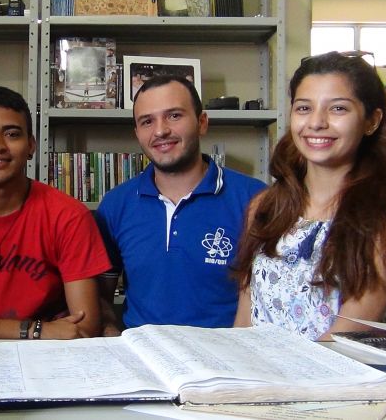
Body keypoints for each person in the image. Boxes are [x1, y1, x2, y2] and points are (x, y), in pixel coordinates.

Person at [232, 51, 386, 341]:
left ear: (372, 121)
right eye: (304, 108)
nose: (316, 122)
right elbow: (245, 320)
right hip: (265, 378)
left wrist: (277, 382)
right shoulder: (265, 207)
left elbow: (346, 336)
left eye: (338, 109)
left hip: (346, 377)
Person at [95, 75, 266, 334]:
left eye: (174, 116)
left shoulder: (255, 199)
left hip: (227, 361)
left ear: (202, 122)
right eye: (147, 121)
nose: (161, 130)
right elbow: (100, 297)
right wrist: (111, 335)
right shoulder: (116, 205)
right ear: (137, 133)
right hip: (144, 359)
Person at [0, 86, 110, 339]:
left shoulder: (69, 216)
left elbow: (84, 327)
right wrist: (34, 331)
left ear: (31, 145)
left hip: (45, 357)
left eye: (12, 134)